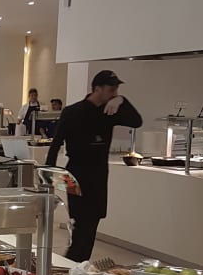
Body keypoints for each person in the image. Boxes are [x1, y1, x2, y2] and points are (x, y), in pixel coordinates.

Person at [46, 70, 142, 262]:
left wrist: (121, 100)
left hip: (99, 175)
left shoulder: (110, 111)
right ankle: (72, 266)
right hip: (75, 174)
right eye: (111, 89)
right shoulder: (72, 112)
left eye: (116, 90)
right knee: (80, 227)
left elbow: (136, 121)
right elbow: (56, 144)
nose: (114, 93)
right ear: (97, 88)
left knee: (91, 227)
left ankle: (78, 267)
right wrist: (48, 178)